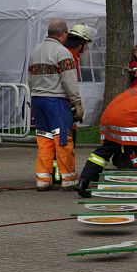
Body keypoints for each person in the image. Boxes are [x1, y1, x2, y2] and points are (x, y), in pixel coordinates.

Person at [28, 18, 83, 191]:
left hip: (37, 99)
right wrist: (77, 102)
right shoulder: (63, 52)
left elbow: (30, 78)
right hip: (56, 100)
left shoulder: (35, 52)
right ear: (63, 33)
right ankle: (68, 179)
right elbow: (69, 81)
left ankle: (43, 180)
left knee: (44, 140)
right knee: (62, 140)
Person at [52, 24, 93, 185]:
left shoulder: (65, 53)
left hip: (54, 101)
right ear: (81, 43)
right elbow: (69, 84)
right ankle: (62, 174)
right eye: (86, 43)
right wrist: (76, 105)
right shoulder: (69, 56)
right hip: (63, 102)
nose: (87, 47)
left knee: (54, 139)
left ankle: (55, 174)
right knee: (66, 139)